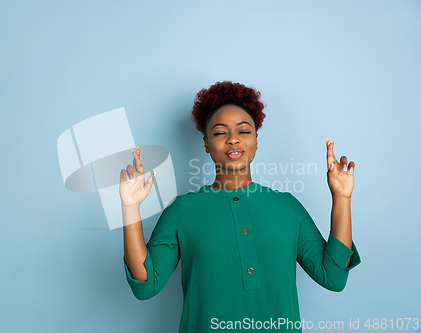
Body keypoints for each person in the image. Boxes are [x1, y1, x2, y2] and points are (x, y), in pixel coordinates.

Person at [119, 81, 361, 332]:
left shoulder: (287, 207)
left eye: (243, 131)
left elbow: (333, 277)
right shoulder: (182, 211)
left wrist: (342, 199)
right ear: (206, 143)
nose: (233, 139)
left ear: (256, 140)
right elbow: (146, 285)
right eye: (220, 132)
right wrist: (130, 207)